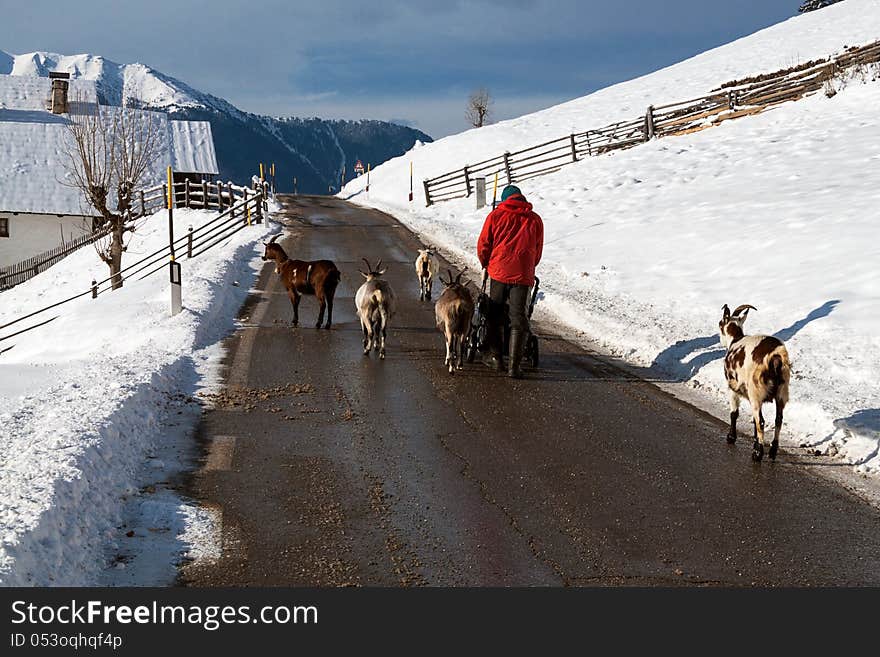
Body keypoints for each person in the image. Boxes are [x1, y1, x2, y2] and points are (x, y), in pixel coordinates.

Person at [476, 185, 544, 379]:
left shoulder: (496, 216)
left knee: (495, 313)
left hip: (499, 271)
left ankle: (495, 358)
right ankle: (514, 366)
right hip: (523, 274)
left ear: (505, 200)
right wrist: (529, 266)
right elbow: (537, 249)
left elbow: (484, 244)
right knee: (518, 317)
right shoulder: (534, 219)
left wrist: (485, 263)